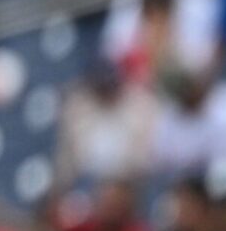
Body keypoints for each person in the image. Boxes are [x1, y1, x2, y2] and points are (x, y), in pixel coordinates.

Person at [54, 59, 159, 189]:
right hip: (85, 185)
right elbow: (66, 162)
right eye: (102, 88)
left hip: (129, 185)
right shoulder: (77, 108)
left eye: (110, 86)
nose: (107, 92)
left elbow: (145, 162)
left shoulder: (141, 105)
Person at [151, 69, 226, 178]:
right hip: (189, 179)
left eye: (190, 86)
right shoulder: (172, 113)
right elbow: (164, 160)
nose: (188, 91)